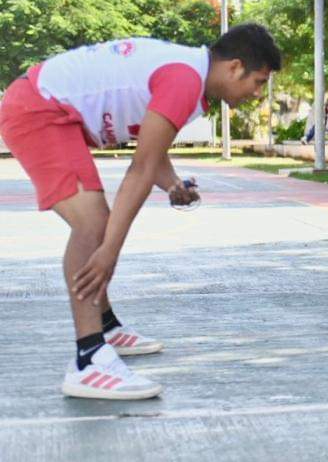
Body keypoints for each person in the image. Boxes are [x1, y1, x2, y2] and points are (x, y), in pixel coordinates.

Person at [0, 24, 281, 400]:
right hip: (38, 109)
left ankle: (106, 325)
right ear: (234, 67)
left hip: (45, 105)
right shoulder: (184, 79)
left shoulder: (188, 74)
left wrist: (173, 185)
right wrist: (108, 254)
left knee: (98, 225)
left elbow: (152, 148)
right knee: (93, 225)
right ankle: (88, 359)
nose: (257, 94)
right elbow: (140, 168)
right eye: (259, 82)